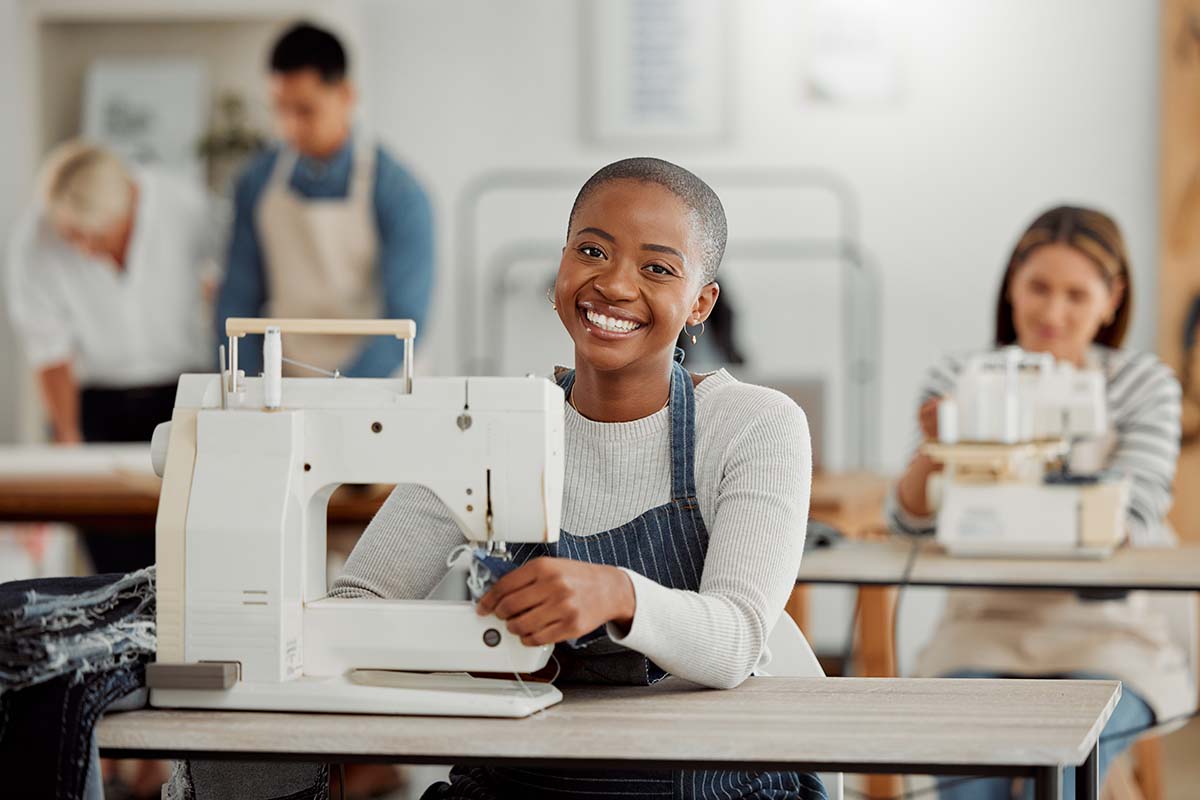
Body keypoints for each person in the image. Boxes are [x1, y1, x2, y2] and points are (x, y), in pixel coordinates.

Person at [330, 157, 825, 799]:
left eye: (657, 267)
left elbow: (735, 640)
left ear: (701, 302)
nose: (615, 285)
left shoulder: (754, 425)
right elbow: (357, 608)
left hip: (709, 785)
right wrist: (480, 652)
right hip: (519, 784)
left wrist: (616, 595)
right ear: (559, 270)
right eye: (592, 250)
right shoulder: (485, 427)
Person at [890, 206, 1194, 799]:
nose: (1053, 313)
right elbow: (909, 521)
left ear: (1112, 300)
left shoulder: (1143, 385)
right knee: (969, 788)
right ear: (1012, 287)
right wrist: (938, 446)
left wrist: (1004, 518)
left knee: (1053, 771)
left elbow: (1135, 513)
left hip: (1109, 638)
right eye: (1039, 288)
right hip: (980, 634)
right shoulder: (960, 378)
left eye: (1076, 295)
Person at [6, 140, 219, 574]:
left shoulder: (186, 206)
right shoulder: (33, 242)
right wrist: (66, 439)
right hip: (99, 401)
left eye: (96, 237)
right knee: (113, 563)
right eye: (72, 238)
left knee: (192, 553)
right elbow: (49, 351)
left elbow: (236, 278)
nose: (83, 249)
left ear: (128, 209)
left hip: (186, 395)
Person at [216, 21, 433, 379]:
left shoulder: (399, 192)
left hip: (377, 386)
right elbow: (238, 298)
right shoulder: (256, 183)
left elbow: (405, 319)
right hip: (285, 380)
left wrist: (338, 392)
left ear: (346, 95)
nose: (288, 128)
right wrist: (242, 386)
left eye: (305, 111)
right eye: (280, 110)